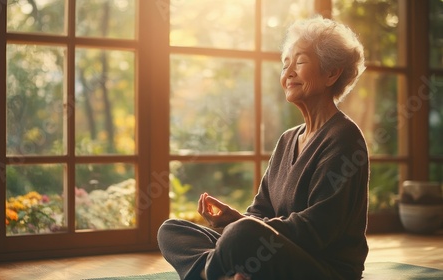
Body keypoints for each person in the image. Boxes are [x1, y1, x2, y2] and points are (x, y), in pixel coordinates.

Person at [158, 15, 369, 280]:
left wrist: (241, 227)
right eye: (285, 64)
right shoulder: (287, 140)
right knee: (171, 230)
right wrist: (234, 218)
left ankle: (214, 272)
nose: (288, 72)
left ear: (331, 73)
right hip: (273, 253)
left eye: (300, 61)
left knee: (242, 235)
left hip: (324, 269)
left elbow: (317, 230)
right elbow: (260, 211)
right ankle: (227, 273)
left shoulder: (344, 138)